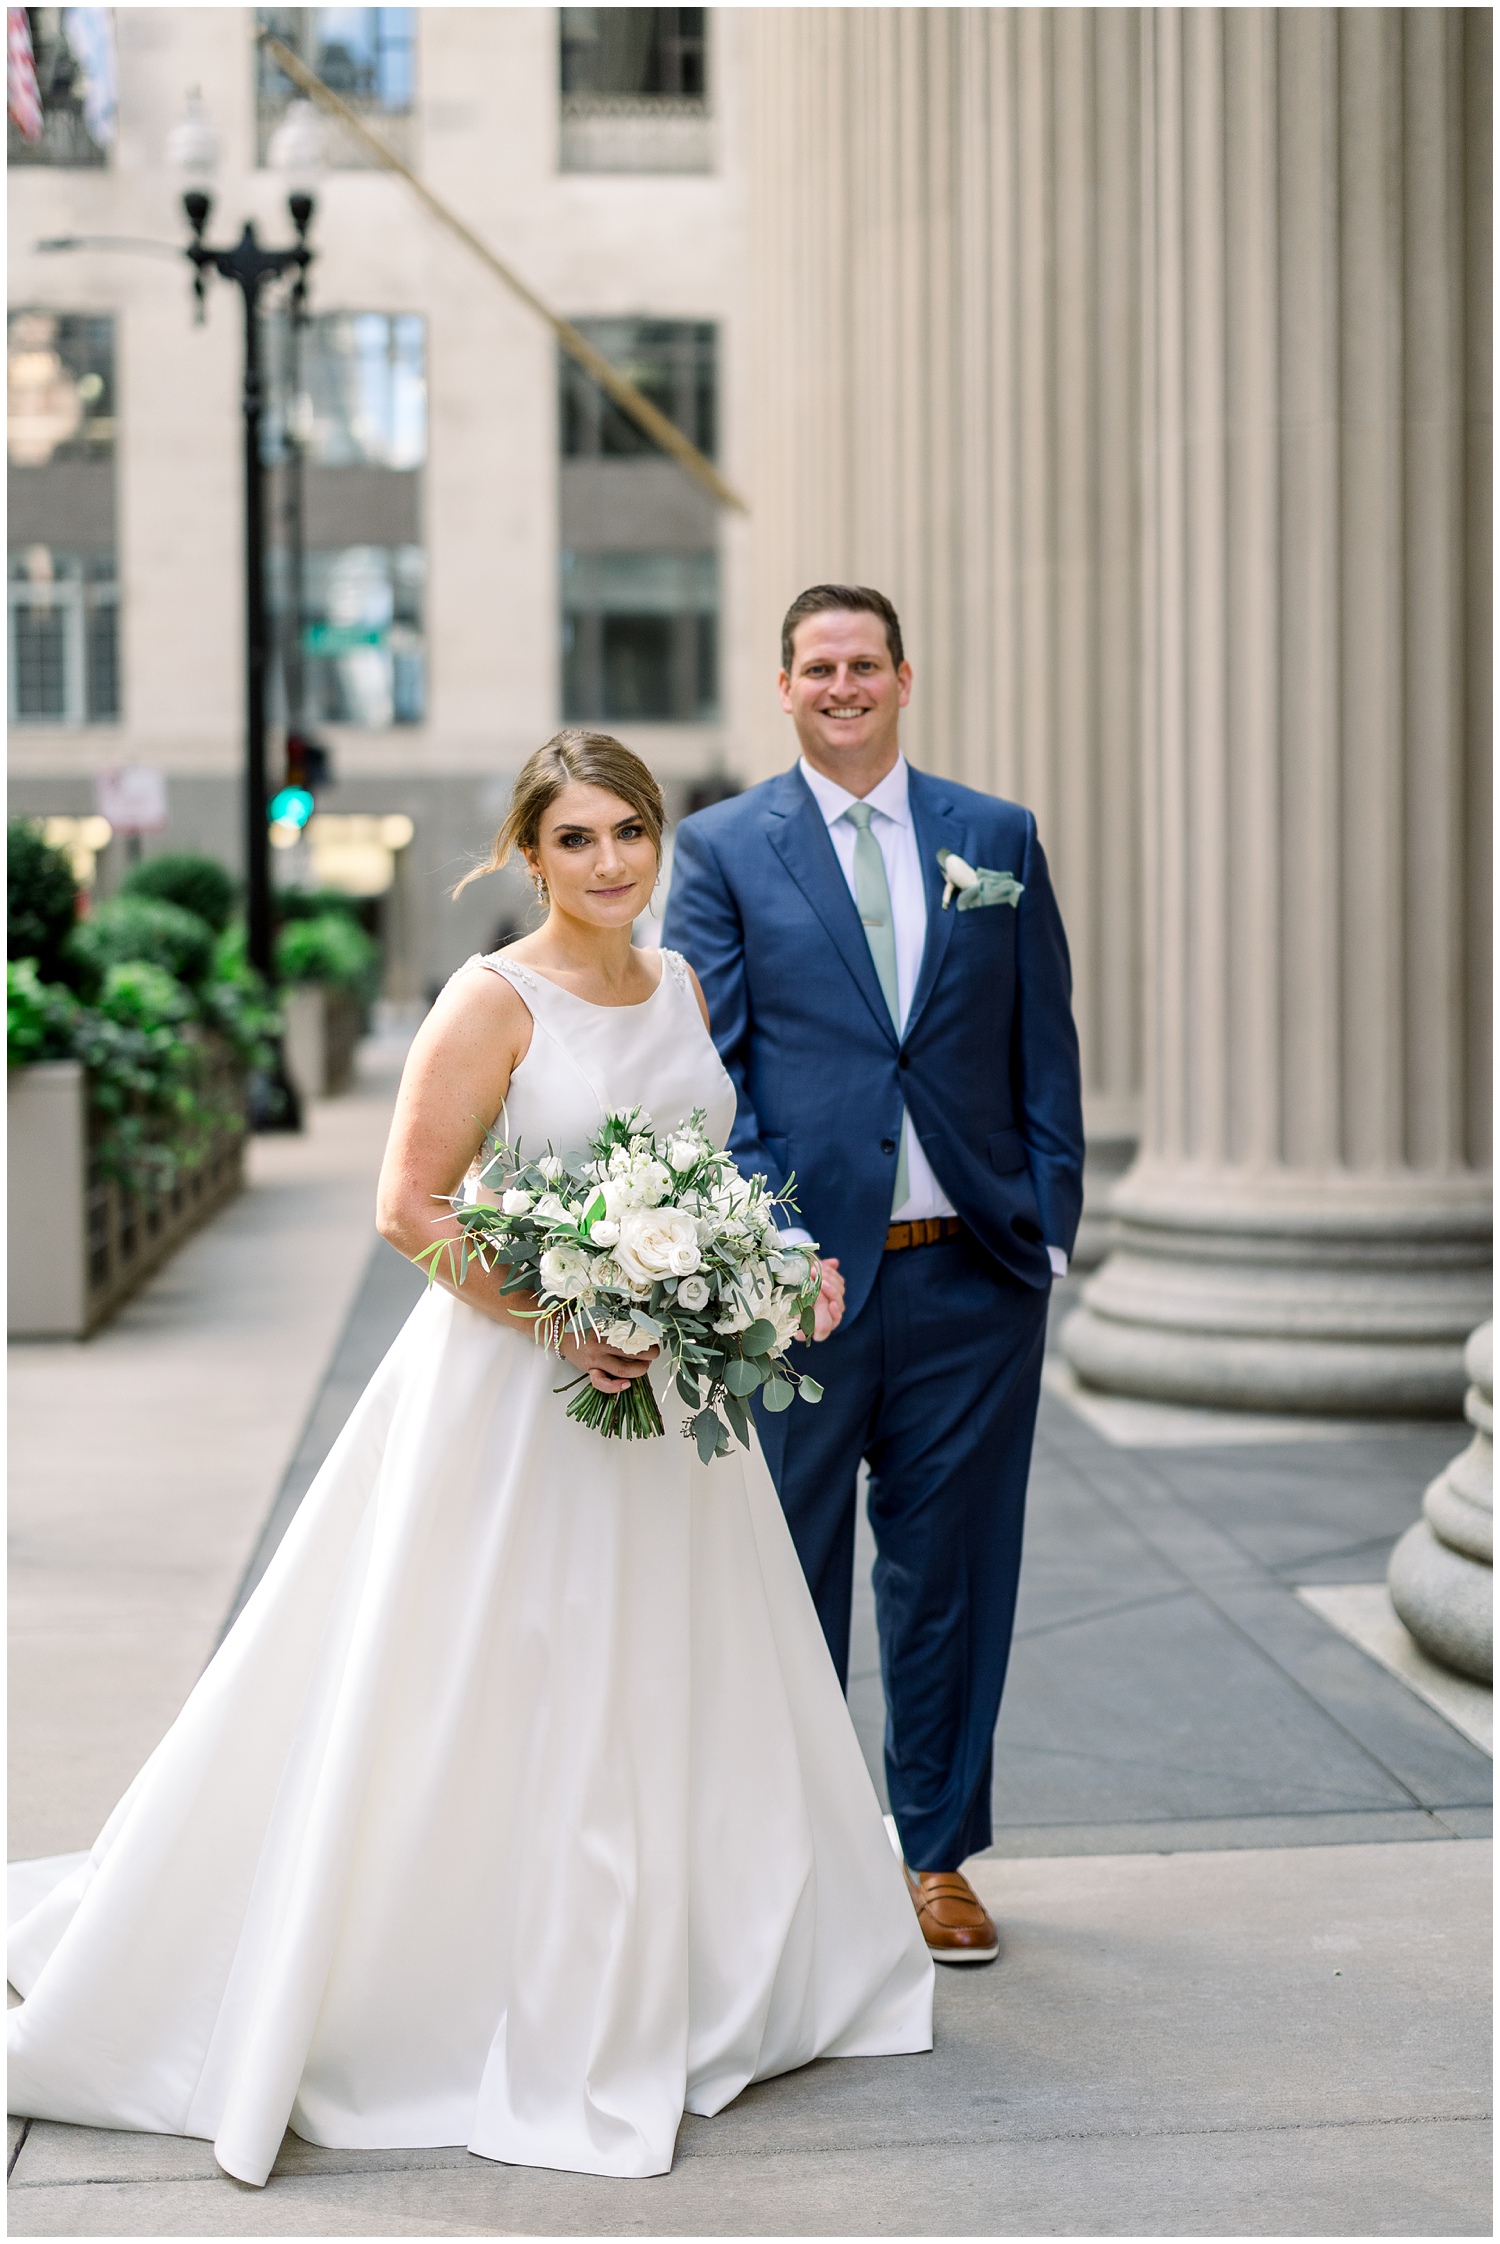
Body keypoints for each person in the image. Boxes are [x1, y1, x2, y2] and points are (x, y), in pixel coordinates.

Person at [7, 731, 932, 2187]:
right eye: (577, 839)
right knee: (511, 1682)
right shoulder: (490, 1000)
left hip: (673, 1413)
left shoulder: (680, 981)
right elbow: (409, 1206)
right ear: (527, 852)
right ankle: (482, 1983)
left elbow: (707, 1172)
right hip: (514, 1404)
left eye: (629, 830)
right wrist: (566, 1320)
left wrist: (767, 1271)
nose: (612, 861)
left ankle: (699, 1965)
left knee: (679, 1676)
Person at [663, 587, 1085, 1965]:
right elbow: (715, 1067)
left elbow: (1043, 1045)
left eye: (865, 664)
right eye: (817, 667)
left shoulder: (995, 837)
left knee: (953, 1572)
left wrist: (1046, 1218)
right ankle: (789, 1860)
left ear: (906, 677)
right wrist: (768, 1247)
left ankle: (937, 1860)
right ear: (783, 688)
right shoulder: (726, 850)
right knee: (784, 1572)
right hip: (800, 1290)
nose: (843, 685)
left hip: (972, 1274)